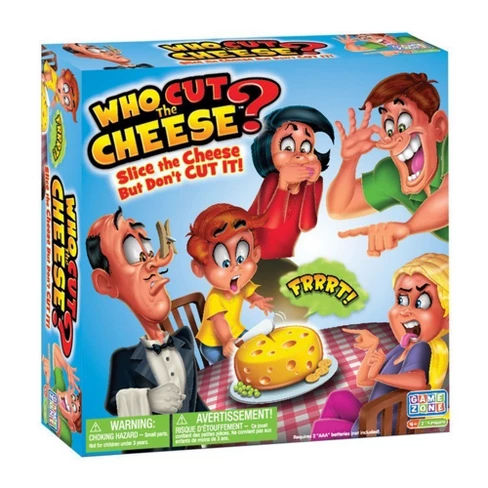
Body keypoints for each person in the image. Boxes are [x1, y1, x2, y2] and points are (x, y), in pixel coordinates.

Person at [86, 207, 207, 419]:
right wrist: (148, 399)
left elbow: (193, 398)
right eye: (134, 254)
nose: (152, 264)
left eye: (149, 251)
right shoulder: (123, 359)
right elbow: (113, 404)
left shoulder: (185, 340)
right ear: (106, 283)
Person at [311, 253, 449, 439]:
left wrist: (377, 375)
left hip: (380, 427)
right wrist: (372, 348)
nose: (406, 310)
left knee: (321, 428)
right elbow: (364, 380)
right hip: (372, 417)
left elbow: (418, 382)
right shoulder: (401, 349)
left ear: (447, 317)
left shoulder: (421, 347)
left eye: (421, 302)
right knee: (338, 397)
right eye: (402, 300)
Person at [327, 72, 448, 256]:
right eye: (390, 127)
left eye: (404, 124)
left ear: (438, 127)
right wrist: (350, 161)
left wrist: (408, 227)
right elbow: (339, 208)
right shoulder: (392, 173)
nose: (396, 137)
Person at [248, 106, 334, 319]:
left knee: (307, 296)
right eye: (287, 145)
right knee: (295, 302)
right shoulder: (272, 181)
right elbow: (270, 223)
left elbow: (307, 224)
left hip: (279, 259)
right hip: (254, 260)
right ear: (269, 147)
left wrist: (311, 185)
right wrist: (283, 184)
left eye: (306, 147)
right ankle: (282, 329)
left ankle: (288, 328)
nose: (298, 154)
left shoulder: (314, 183)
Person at [187, 203, 273, 364]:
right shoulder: (215, 298)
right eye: (224, 262)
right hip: (213, 346)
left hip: (237, 333)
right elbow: (219, 321)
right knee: (233, 364)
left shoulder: (241, 284)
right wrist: (227, 340)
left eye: (241, 258)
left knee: (257, 347)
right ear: (199, 268)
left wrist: (257, 300)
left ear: (255, 254)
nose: (235, 267)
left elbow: (249, 293)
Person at [42, 343, 82, 446]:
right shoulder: (61, 387)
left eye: (74, 407)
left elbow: (54, 421)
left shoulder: (67, 434)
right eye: (73, 397)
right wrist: (66, 367)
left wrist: (48, 382)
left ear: (71, 425)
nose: (71, 400)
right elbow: (55, 348)